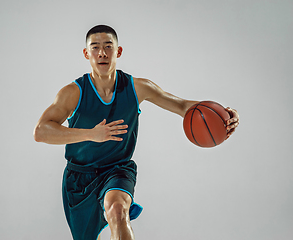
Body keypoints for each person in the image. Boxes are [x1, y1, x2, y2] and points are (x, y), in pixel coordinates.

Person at [34, 25, 239, 240]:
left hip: (117, 169)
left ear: (118, 51)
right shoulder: (73, 92)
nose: (102, 53)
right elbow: (41, 131)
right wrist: (91, 134)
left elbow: (182, 106)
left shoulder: (137, 87)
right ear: (87, 54)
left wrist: (224, 114)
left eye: (108, 47)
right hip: (79, 177)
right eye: (95, 47)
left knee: (117, 210)